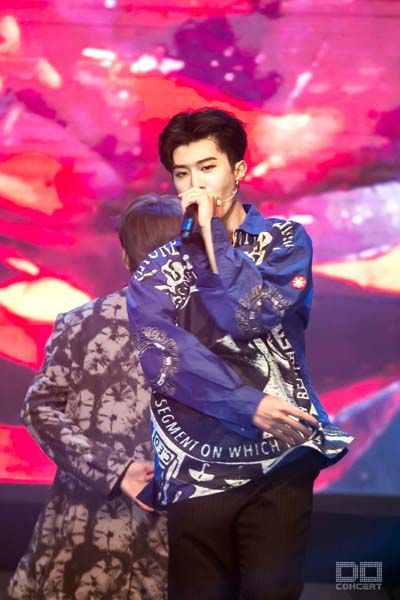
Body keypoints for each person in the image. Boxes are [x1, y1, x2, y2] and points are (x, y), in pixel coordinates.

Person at [127, 108, 354, 600]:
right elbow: (164, 357)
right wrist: (246, 404)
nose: (195, 185)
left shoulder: (285, 242)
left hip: (278, 461)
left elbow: (249, 316)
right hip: (195, 472)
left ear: (238, 170)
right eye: (182, 173)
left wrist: (212, 235)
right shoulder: (156, 268)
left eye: (208, 168)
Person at [6, 194, 182, 600]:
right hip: (138, 535)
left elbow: (39, 408)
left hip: (94, 533)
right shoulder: (211, 331)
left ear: (125, 257)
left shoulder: (79, 321)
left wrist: (115, 470)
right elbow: (40, 409)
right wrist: (118, 471)